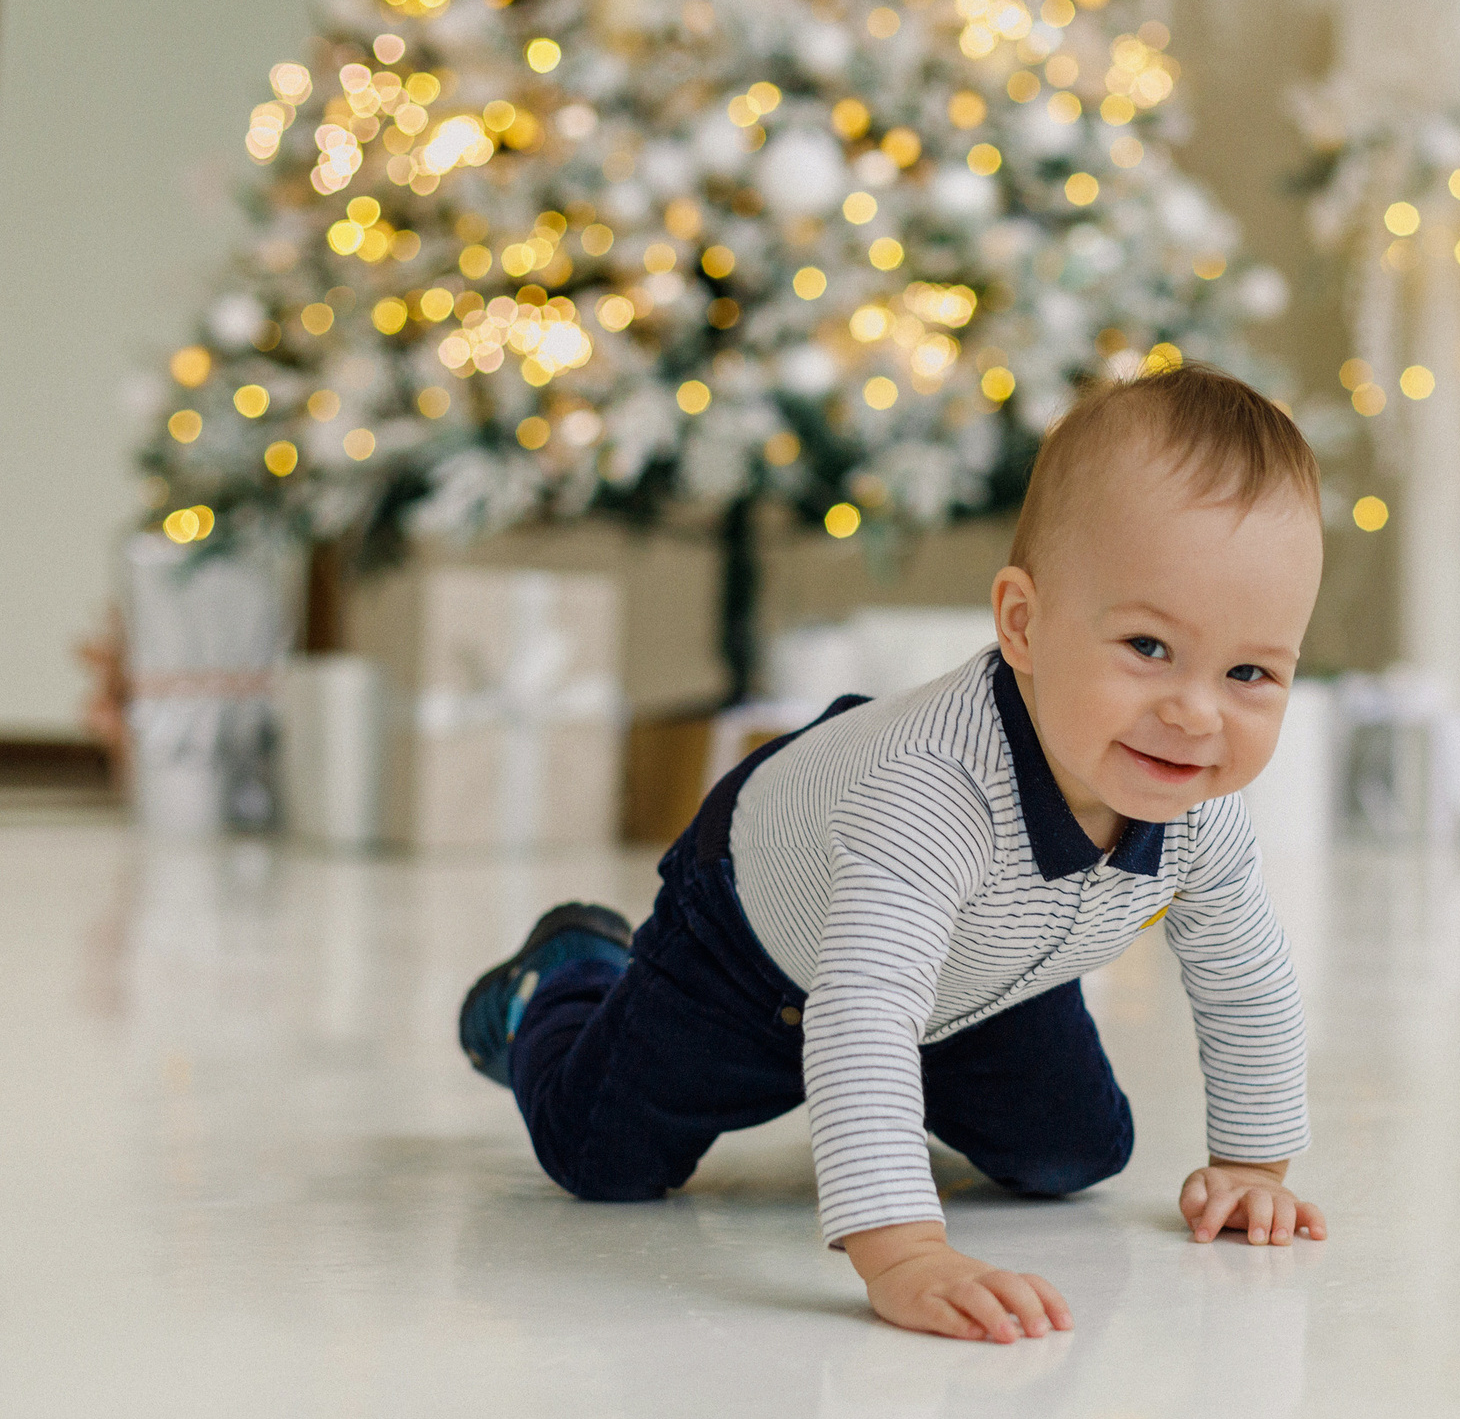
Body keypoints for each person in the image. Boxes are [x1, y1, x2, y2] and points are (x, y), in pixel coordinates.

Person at [455, 364, 1327, 1343]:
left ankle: (913, 1089)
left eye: (1249, 671)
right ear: (1023, 624)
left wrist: (1254, 1168)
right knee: (604, 1158)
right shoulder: (930, 794)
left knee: (1075, 1155)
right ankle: (567, 972)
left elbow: (1245, 980)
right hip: (749, 946)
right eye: (1148, 648)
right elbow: (862, 1012)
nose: (1195, 713)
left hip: (977, 970)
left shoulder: (1198, 809)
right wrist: (904, 1248)